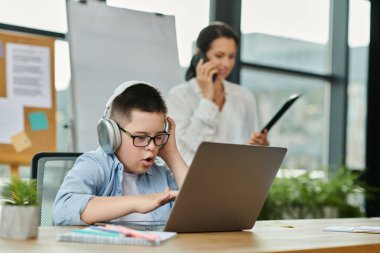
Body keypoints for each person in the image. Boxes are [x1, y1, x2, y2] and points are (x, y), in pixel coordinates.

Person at [53, 81, 189, 225]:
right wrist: (137, 202)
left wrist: (171, 154)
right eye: (141, 137)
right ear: (113, 135)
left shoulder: (161, 175)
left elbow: (201, 211)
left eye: (158, 137)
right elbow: (62, 210)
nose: (152, 146)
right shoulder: (96, 165)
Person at [167, 21, 269, 165]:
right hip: (196, 181)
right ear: (200, 54)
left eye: (231, 56)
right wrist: (207, 100)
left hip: (236, 179)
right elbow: (193, 147)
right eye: (219, 55)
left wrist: (260, 146)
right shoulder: (180, 96)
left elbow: (251, 151)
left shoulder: (244, 96)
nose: (227, 64)